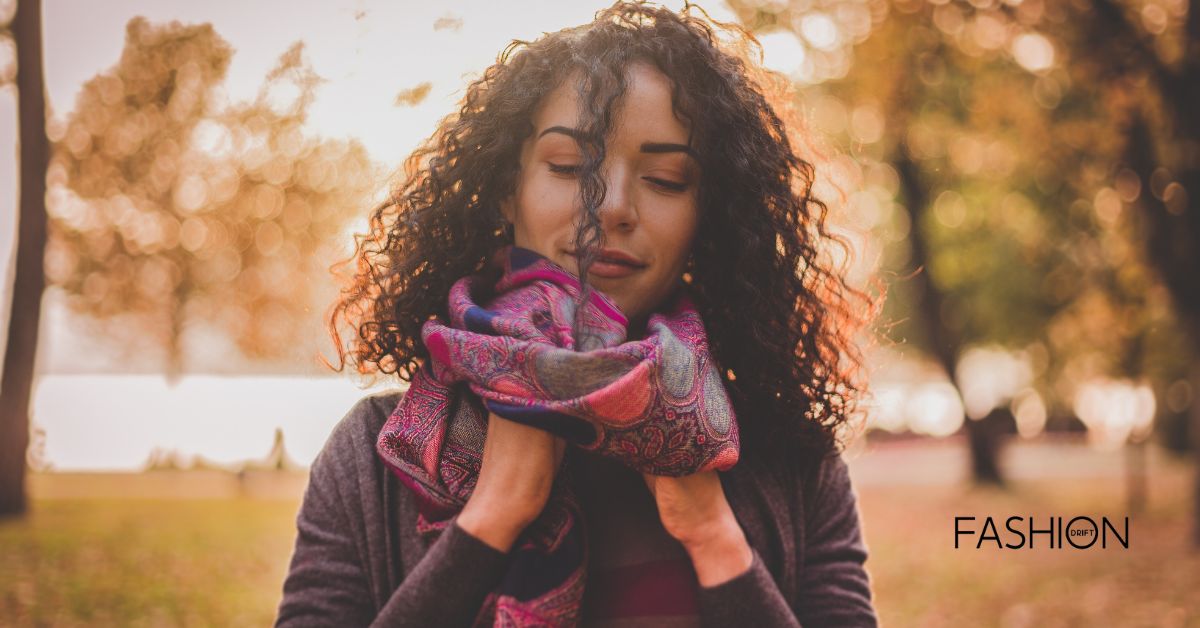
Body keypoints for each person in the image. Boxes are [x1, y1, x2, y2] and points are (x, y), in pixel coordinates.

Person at [277, 2, 881, 626]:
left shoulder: (791, 457)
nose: (611, 206)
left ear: (710, 216)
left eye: (667, 179)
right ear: (508, 190)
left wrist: (713, 536)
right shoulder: (372, 457)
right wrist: (492, 517)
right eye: (569, 167)